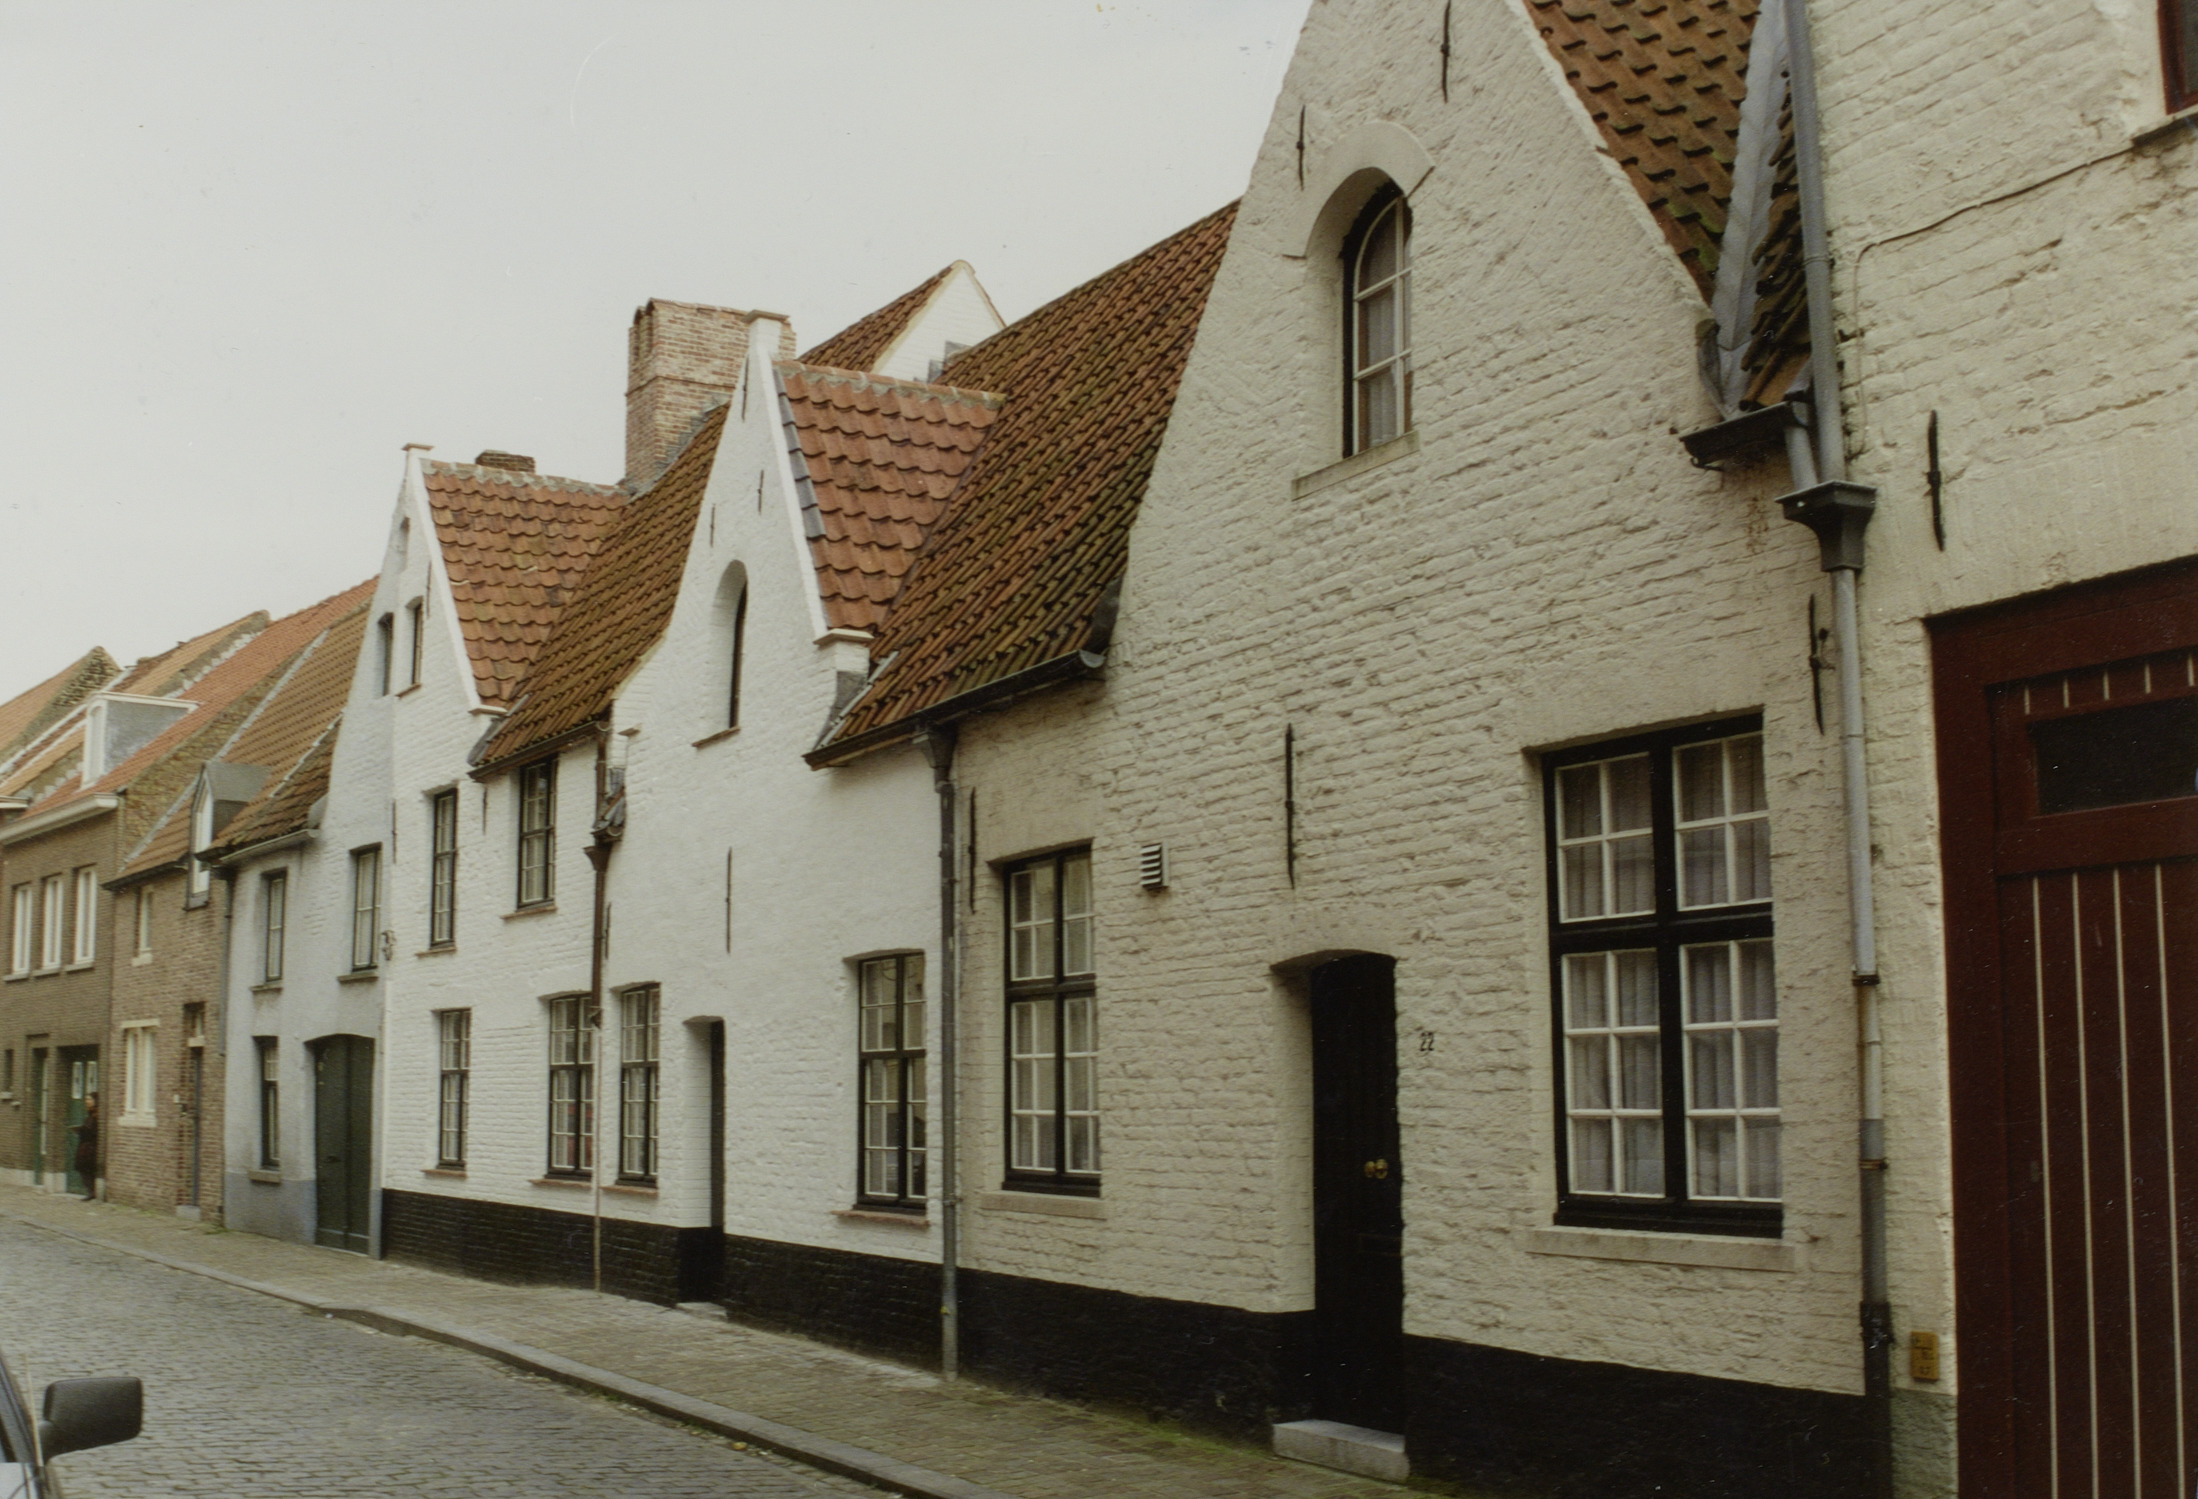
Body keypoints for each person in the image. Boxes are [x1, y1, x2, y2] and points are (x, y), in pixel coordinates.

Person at [73, 1092, 98, 1201]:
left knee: (85, 1166)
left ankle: (92, 1191)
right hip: (86, 1145)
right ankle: (91, 1190)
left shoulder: (96, 1114)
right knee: (82, 1166)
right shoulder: (90, 1114)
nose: (87, 1102)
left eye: (89, 1099)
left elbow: (93, 1130)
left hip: (90, 1146)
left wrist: (82, 1130)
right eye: (86, 1099)